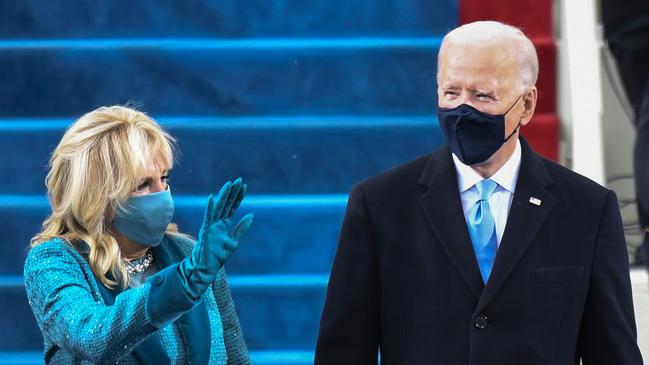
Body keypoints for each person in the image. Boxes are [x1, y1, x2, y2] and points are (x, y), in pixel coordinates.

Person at [315, 21, 643, 364]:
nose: (462, 110)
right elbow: (344, 350)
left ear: (527, 105)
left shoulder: (588, 209)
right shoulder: (379, 204)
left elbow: (613, 353)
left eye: (482, 95)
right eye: (451, 93)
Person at [24, 106, 254, 364]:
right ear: (96, 196)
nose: (162, 195)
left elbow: (236, 357)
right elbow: (91, 336)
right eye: (142, 185)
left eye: (164, 179)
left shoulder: (190, 255)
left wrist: (193, 274)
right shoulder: (53, 261)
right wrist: (183, 283)